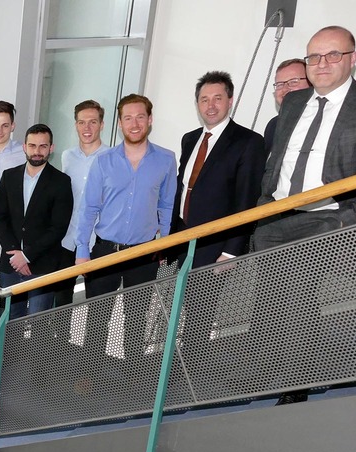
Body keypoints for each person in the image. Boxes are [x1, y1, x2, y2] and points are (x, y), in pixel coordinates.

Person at [252, 25, 356, 404]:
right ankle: (267, 374)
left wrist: (346, 218)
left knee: (299, 302)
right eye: (313, 57)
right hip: (276, 216)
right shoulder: (292, 103)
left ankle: (295, 387)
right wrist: (262, 203)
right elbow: (279, 160)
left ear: (352, 59)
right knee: (269, 302)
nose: (321, 64)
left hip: (327, 219)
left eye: (332, 55)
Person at [75, 94, 177, 374]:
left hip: (143, 254)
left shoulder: (166, 160)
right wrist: (82, 251)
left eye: (140, 117)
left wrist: (165, 244)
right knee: (97, 317)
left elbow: (167, 205)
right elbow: (88, 208)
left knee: (137, 318)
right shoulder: (104, 161)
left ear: (150, 120)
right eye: (128, 118)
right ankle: (89, 375)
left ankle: (133, 377)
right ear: (119, 123)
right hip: (105, 251)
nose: (135, 124)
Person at [171, 70, 264, 267]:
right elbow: (182, 188)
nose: (210, 106)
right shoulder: (190, 139)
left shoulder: (249, 142)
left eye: (217, 98)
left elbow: (246, 200)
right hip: (181, 239)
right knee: (177, 297)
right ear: (197, 104)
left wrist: (231, 251)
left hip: (216, 245)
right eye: (204, 100)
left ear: (230, 101)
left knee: (202, 299)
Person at [0, 123, 75, 318]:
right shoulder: (9, 176)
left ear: (51, 148)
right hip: (10, 263)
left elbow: (58, 227)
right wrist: (16, 254)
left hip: (42, 264)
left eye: (43, 146)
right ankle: (11, 351)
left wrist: (27, 256)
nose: (37, 151)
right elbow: (0, 217)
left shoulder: (62, 182)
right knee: (10, 320)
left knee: (37, 321)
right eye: (32, 146)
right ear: (24, 146)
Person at [58, 100, 109, 307]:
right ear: (75, 125)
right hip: (67, 240)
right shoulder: (67, 156)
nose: (86, 128)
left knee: (98, 307)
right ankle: (61, 341)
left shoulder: (112, 157)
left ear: (102, 125)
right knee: (60, 303)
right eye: (81, 122)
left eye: (92, 122)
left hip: (98, 242)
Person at [263, 58, 310, 157]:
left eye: (293, 82)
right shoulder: (273, 125)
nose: (285, 89)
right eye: (279, 84)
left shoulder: (326, 121)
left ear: (312, 84)